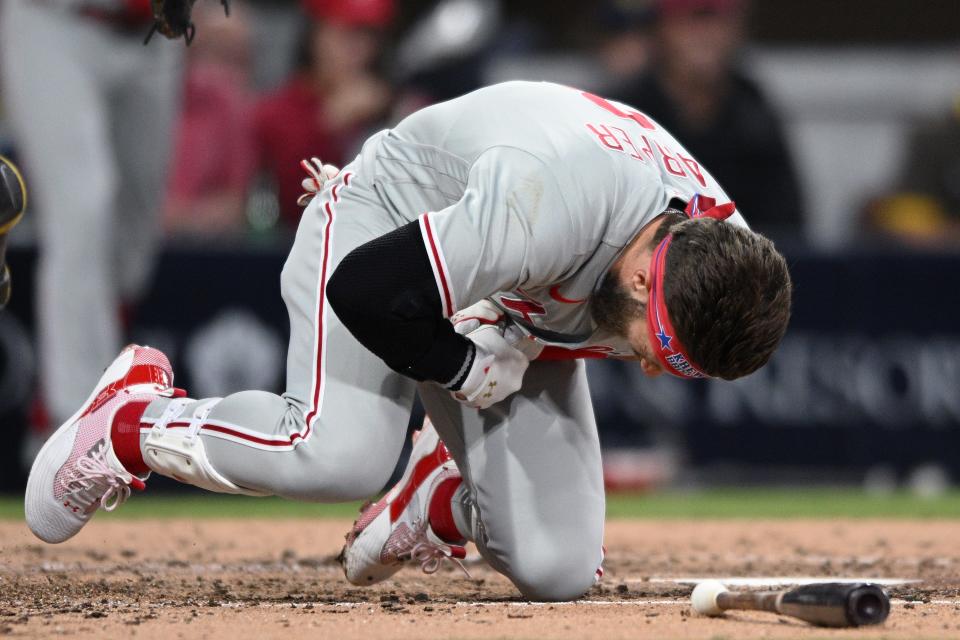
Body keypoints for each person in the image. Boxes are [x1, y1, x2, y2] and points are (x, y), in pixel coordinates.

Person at [24, 81, 792, 602]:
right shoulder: (546, 205)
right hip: (390, 230)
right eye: (661, 350)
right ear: (641, 277)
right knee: (338, 454)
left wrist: (506, 344)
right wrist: (462, 365)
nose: (656, 373)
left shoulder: (716, 256)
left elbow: (568, 311)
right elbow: (366, 289)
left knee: (559, 572)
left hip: (508, 293)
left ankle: (437, 498)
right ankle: (133, 422)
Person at [0, 0, 182, 444]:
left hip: (154, 33)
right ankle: (72, 427)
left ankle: (96, 381)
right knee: (82, 209)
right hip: (53, 23)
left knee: (133, 238)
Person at [613, 0, 803, 241]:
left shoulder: (753, 111)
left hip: (739, 270)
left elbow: (787, 230)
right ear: (661, 28)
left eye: (715, 19)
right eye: (691, 20)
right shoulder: (626, 113)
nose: (704, 35)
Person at [252, 0, 394, 228]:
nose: (358, 50)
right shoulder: (276, 112)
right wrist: (329, 124)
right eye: (345, 35)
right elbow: (291, 204)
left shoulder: (390, 109)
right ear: (315, 34)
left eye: (368, 37)